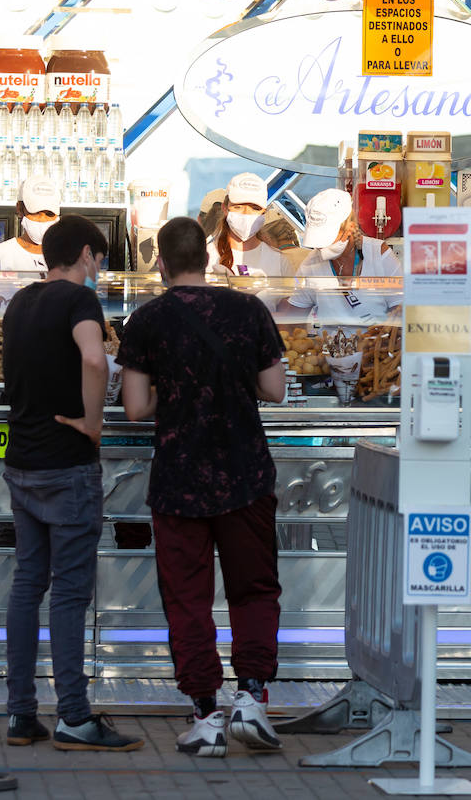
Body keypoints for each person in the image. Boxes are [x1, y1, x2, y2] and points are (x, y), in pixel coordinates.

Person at [118, 217, 287, 755]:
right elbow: (276, 390)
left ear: (161, 263)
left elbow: (137, 407)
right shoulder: (249, 309)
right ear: (210, 257)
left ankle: (205, 713)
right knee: (254, 588)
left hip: (179, 480)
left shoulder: (145, 321)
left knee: (188, 598)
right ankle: (254, 698)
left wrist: (180, 394)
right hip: (246, 474)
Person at [1, 215, 142, 752]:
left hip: (23, 463)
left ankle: (20, 714)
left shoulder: (20, 301)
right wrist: (92, 421)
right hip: (67, 466)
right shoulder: (80, 301)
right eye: (100, 260)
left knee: (27, 584)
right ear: (86, 253)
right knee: (69, 594)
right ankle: (75, 718)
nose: (100, 270)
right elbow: (92, 358)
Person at [285, 188, 401, 326]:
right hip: (329, 345)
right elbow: (292, 320)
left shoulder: (379, 254)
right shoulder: (310, 265)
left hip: (374, 344)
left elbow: (401, 310)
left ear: (350, 228)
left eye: (326, 240)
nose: (321, 248)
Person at [205, 172, 292, 277]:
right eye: (238, 207)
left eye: (255, 208)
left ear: (264, 212)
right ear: (225, 208)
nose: (246, 214)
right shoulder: (206, 255)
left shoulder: (278, 260)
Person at [0, 175, 62, 272]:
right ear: (20, 209)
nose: (42, 219)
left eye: (49, 214)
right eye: (36, 212)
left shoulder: (69, 257)